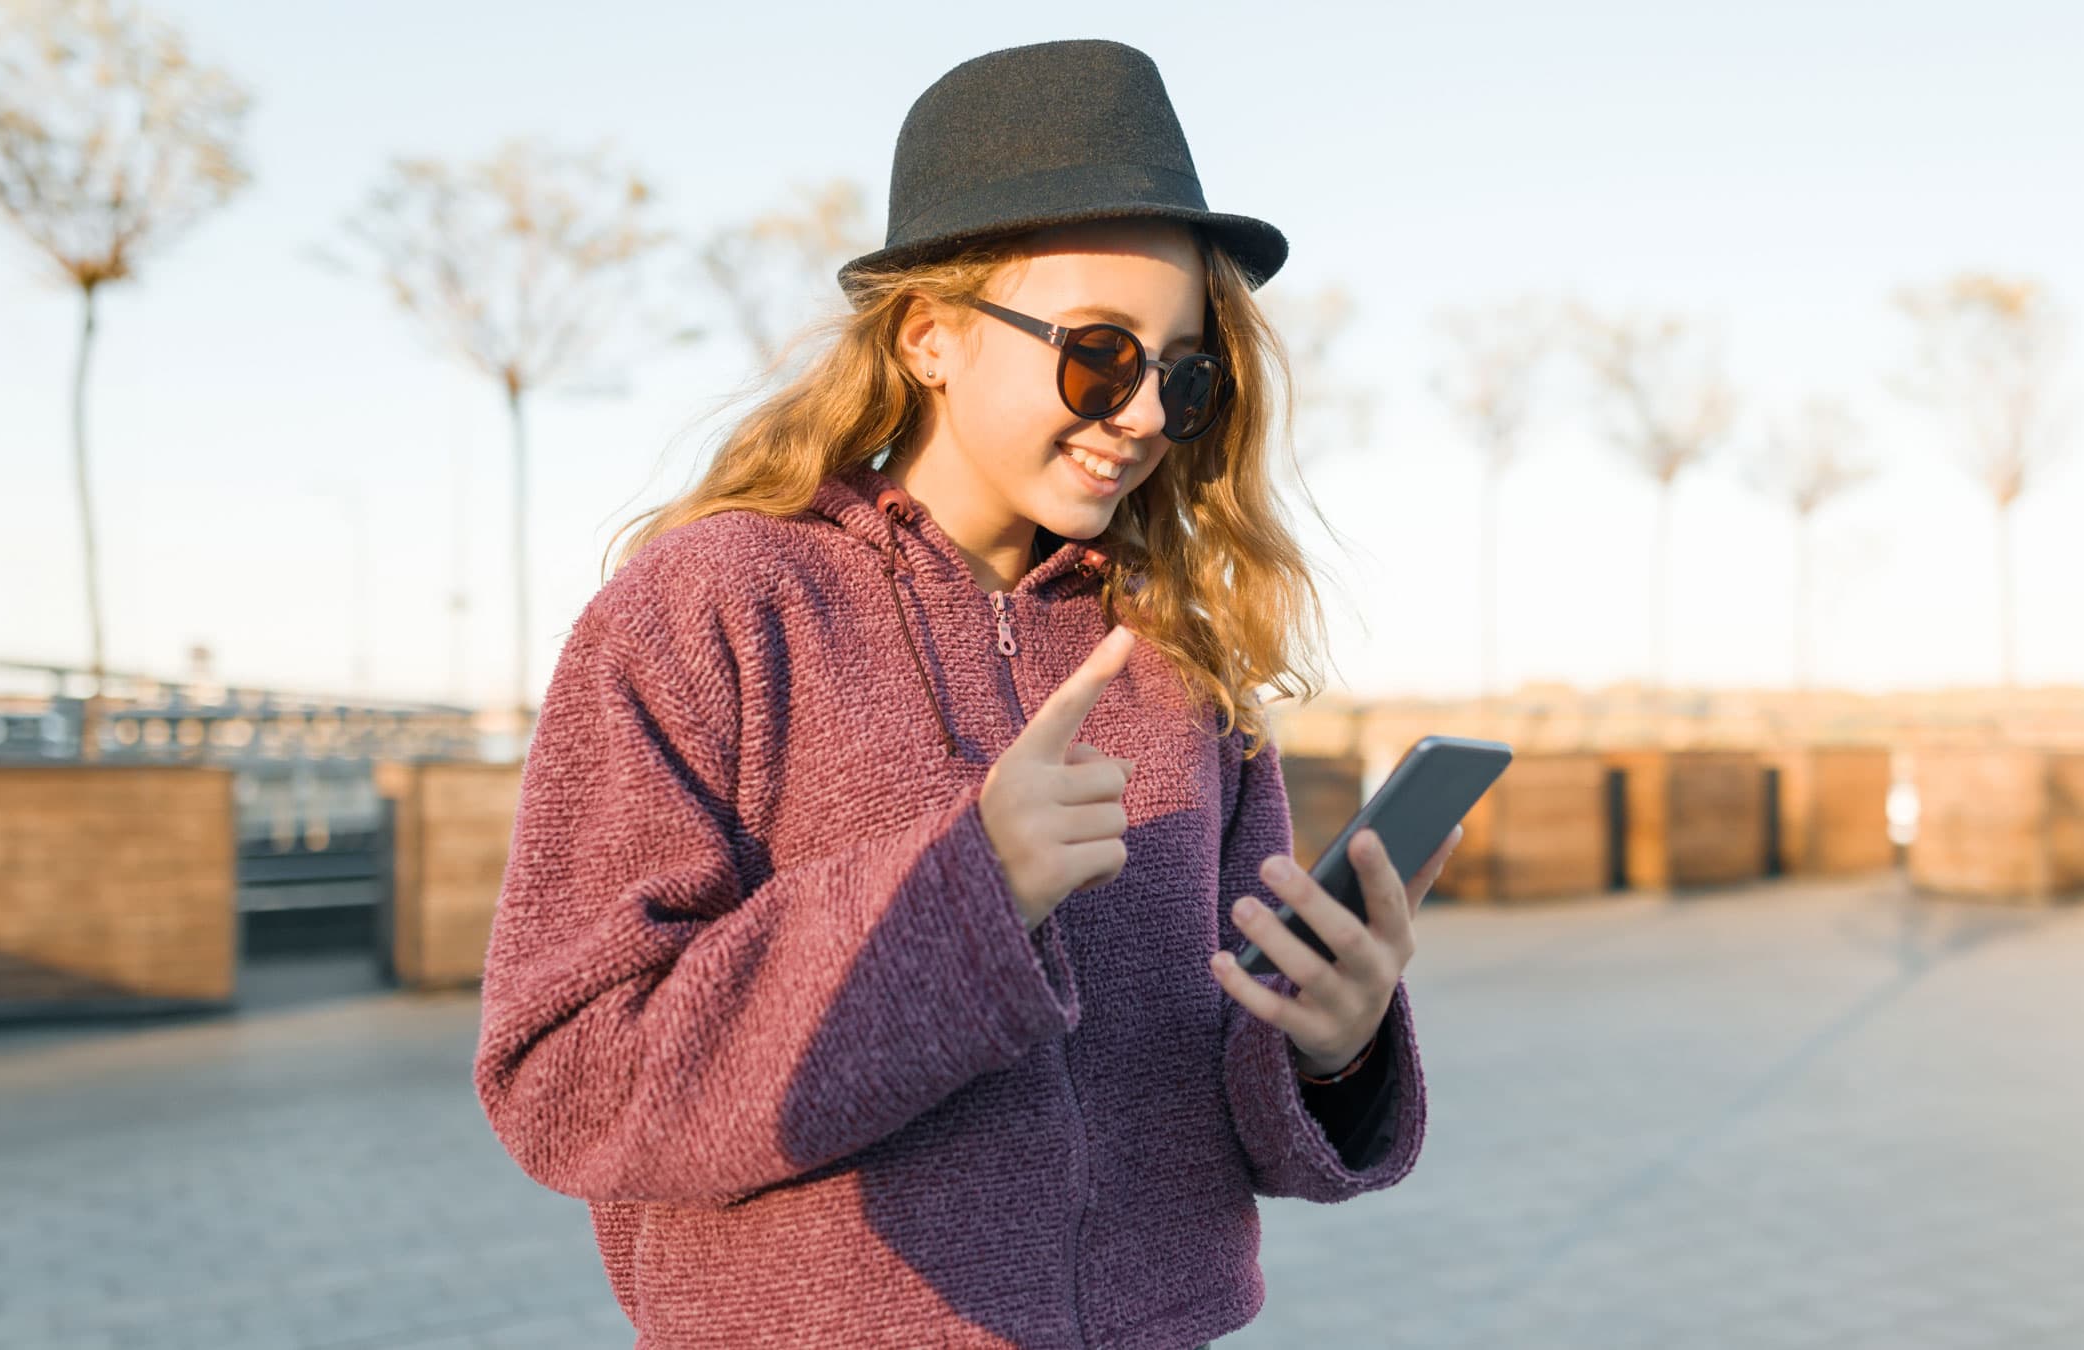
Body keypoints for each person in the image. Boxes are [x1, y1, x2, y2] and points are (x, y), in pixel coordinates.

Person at [471, 37, 1455, 1349]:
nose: (1147, 411)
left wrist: (1330, 1043)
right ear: (931, 335)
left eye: (1185, 370)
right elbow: (571, 1080)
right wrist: (966, 887)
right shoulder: (713, 609)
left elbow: (1221, 1089)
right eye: (1099, 355)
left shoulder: (1178, 654)